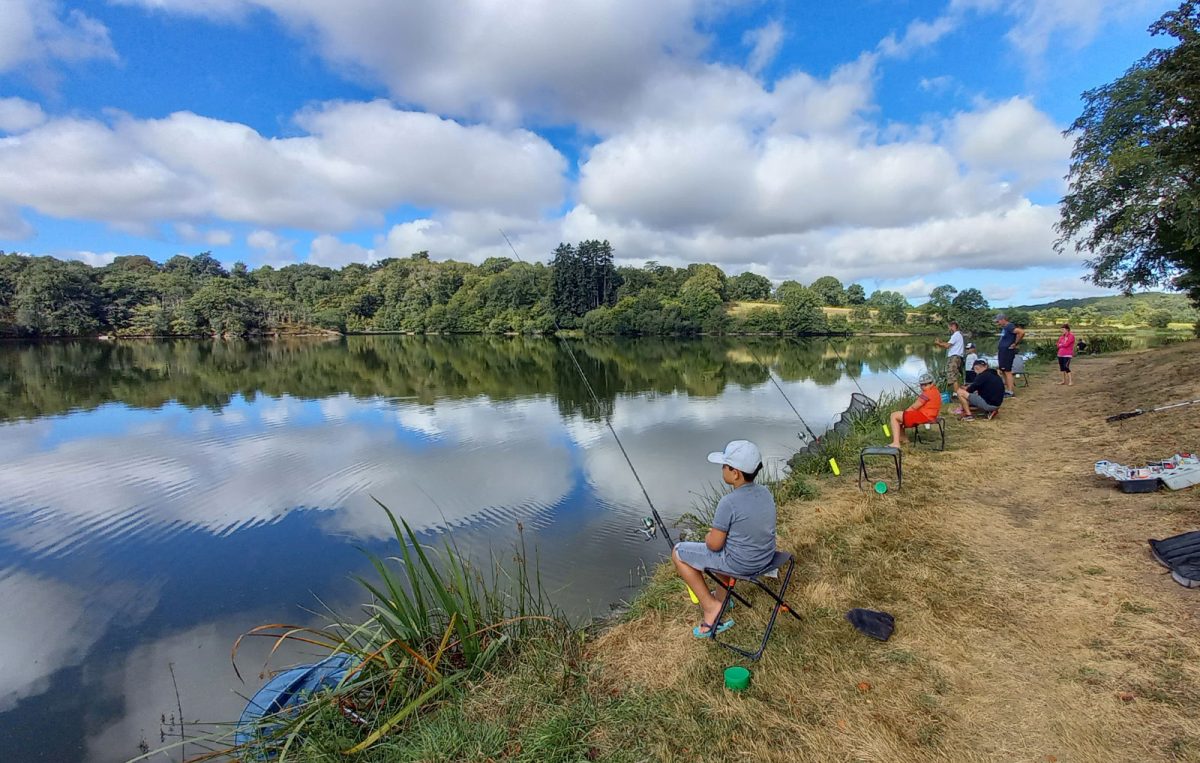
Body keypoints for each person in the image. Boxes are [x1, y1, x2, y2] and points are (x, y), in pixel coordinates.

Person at [672, 440, 776, 639]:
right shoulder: (765, 492)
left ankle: (711, 608)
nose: (722, 470)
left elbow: (714, 545)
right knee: (724, 549)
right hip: (766, 558)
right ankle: (723, 597)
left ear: (735, 473)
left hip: (742, 564)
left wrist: (708, 536)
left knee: (678, 552)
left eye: (724, 466)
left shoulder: (728, 502)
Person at [887, 372, 942, 449]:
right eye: (921, 385)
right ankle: (903, 439)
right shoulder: (935, 391)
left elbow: (914, 407)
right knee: (900, 416)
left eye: (925, 385)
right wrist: (904, 415)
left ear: (931, 383)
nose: (923, 387)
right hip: (930, 416)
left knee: (894, 415)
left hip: (924, 416)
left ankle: (896, 443)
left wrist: (904, 413)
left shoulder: (927, 393)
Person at [994, 313, 1025, 398]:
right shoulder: (1005, 328)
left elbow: (1021, 332)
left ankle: (1010, 391)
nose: (998, 323)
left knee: (1007, 371)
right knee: (1003, 370)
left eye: (998, 321)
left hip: (1007, 352)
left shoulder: (1009, 326)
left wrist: (1015, 343)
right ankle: (1008, 390)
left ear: (1003, 319)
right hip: (1003, 351)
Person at [934, 321, 965, 393]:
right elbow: (949, 345)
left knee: (952, 376)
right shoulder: (958, 335)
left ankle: (957, 394)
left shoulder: (956, 335)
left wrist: (938, 343)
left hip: (954, 358)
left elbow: (947, 346)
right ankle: (959, 392)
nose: (949, 329)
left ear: (953, 326)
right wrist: (941, 342)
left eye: (949, 327)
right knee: (954, 375)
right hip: (957, 358)